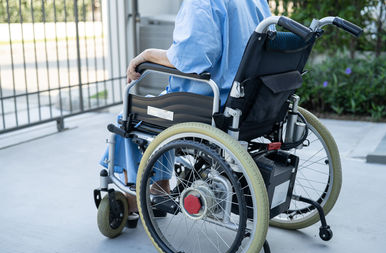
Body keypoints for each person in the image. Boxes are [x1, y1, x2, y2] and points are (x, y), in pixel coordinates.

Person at [100, 0, 273, 220]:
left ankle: (135, 198)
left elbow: (191, 58)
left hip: (207, 103)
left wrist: (147, 55)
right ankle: (159, 188)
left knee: (131, 116)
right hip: (247, 101)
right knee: (158, 108)